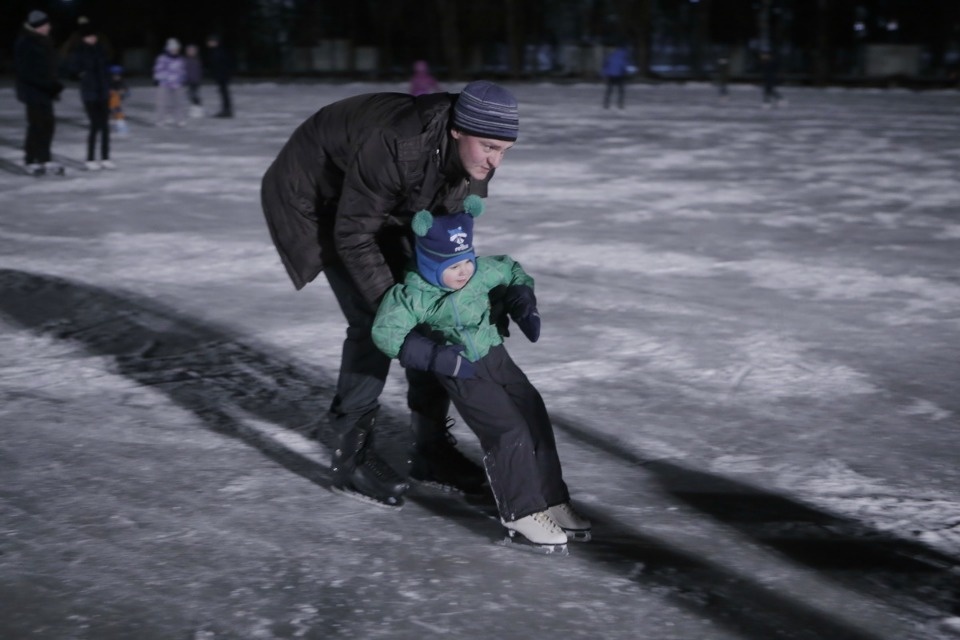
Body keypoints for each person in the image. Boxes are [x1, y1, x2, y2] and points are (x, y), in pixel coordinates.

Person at [260, 80, 519, 508]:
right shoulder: (399, 143)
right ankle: (351, 456)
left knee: (432, 309)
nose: (496, 162)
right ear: (458, 130)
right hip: (317, 201)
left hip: (385, 204)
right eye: (489, 147)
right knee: (374, 323)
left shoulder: (472, 162)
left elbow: (445, 240)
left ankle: (431, 451)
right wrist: (394, 312)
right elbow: (353, 234)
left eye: (505, 150)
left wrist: (467, 297)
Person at [371, 195, 591, 552]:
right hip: (462, 370)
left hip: (496, 356)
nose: (464, 271)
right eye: (451, 264)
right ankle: (522, 512)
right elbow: (386, 332)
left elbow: (511, 269)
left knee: (532, 414)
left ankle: (550, 499)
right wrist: (437, 358)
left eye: (466, 260)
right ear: (428, 261)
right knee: (507, 429)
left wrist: (523, 302)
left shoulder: (479, 271)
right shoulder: (414, 295)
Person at [13, 10, 65, 176]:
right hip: (32, 90)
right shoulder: (25, 42)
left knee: (48, 125)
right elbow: (26, 72)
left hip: (45, 90)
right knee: (36, 125)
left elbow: (49, 67)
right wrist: (49, 85)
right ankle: (30, 159)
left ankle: (44, 158)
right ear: (38, 26)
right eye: (45, 25)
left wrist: (54, 83)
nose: (48, 27)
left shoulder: (45, 41)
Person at [65, 21, 114, 171]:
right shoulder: (78, 51)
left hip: (103, 92)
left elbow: (107, 67)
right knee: (95, 125)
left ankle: (105, 158)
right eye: (89, 37)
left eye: (94, 36)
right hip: (89, 94)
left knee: (105, 127)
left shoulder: (101, 50)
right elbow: (70, 69)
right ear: (83, 38)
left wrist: (111, 81)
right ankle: (90, 159)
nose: (92, 39)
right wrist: (80, 75)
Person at [153, 38, 187, 127]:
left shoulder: (180, 59)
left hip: (177, 84)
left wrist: (182, 78)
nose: (175, 51)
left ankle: (180, 120)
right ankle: (160, 120)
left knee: (178, 103)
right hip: (165, 84)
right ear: (168, 49)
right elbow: (158, 70)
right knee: (162, 103)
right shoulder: (162, 58)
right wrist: (164, 78)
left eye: (176, 49)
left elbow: (182, 70)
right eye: (173, 49)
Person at [205, 35, 234, 118]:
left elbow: (224, 64)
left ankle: (227, 110)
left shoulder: (219, 51)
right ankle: (226, 110)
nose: (209, 43)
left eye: (211, 41)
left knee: (224, 93)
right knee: (223, 93)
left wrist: (226, 74)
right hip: (220, 76)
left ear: (215, 42)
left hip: (223, 76)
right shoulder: (214, 51)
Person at [601, 45, 631, 110]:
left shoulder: (611, 56)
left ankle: (606, 103)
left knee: (609, 90)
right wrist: (626, 73)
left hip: (611, 75)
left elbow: (605, 65)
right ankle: (620, 104)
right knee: (621, 91)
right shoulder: (623, 57)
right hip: (619, 75)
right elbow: (624, 66)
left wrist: (604, 73)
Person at [108, 65, 130, 136]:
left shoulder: (122, 82)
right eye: (114, 75)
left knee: (117, 111)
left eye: (118, 75)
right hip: (108, 101)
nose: (116, 77)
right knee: (111, 113)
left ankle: (120, 125)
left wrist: (123, 91)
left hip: (118, 101)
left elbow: (127, 91)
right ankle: (112, 124)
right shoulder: (108, 82)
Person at [184, 44, 204, 118]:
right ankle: (194, 108)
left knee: (195, 94)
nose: (191, 52)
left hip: (195, 81)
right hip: (189, 81)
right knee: (189, 94)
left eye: (192, 51)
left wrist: (198, 79)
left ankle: (199, 108)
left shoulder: (197, 60)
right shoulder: (185, 60)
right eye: (189, 51)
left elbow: (199, 71)